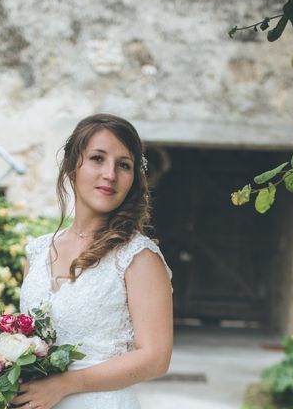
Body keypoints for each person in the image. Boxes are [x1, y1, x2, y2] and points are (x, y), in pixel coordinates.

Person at [13, 113, 173, 409]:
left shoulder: (138, 257)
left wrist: (65, 385)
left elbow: (155, 358)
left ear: (133, 178)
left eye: (124, 165)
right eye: (98, 158)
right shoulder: (37, 252)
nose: (110, 174)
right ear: (73, 166)